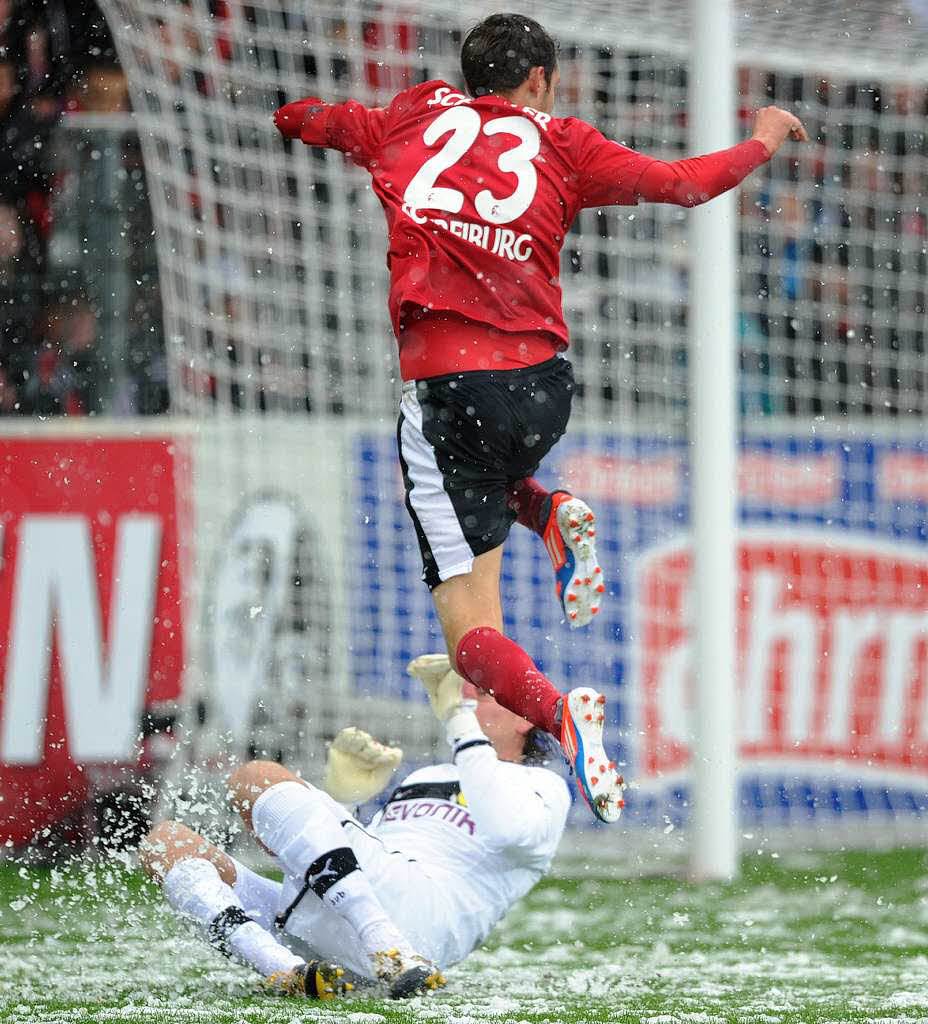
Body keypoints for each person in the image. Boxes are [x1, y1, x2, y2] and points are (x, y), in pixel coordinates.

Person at [273, 13, 807, 824]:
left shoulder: (411, 117)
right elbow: (684, 183)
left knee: (468, 634)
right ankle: (547, 507)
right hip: (545, 387)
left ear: (468, 73)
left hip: (450, 389)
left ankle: (564, 717)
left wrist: (298, 117)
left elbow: (309, 120)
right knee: (486, 467)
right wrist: (762, 139)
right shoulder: (564, 140)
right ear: (541, 82)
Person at [140, 655, 569, 1000]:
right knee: (164, 843)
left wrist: (459, 722)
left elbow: (508, 830)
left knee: (255, 777)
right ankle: (282, 968)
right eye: (468, 698)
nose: (470, 702)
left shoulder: (542, 787)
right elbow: (321, 856)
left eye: (485, 698)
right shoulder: (427, 776)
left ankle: (387, 944)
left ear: (525, 718)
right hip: (334, 928)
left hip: (419, 924)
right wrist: (343, 799)